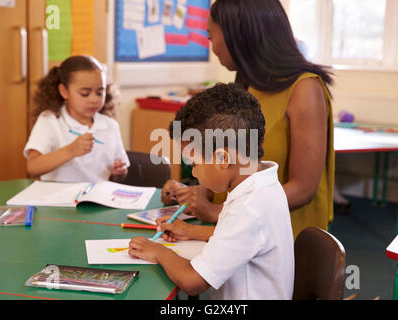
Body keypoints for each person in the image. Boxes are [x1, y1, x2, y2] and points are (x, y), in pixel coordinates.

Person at [162, 0, 334, 238]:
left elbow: (303, 188)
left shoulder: (304, 88)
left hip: (280, 238)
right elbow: (237, 165)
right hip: (236, 231)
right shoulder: (247, 84)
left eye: (211, 37)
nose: (212, 47)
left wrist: (216, 211)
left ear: (237, 35)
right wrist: (201, 190)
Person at [129, 83, 294, 299]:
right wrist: (191, 232)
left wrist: (158, 251)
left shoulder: (249, 207)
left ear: (222, 158)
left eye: (193, 163)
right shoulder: (262, 183)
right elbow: (245, 237)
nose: (195, 173)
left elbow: (192, 282)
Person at [24, 55, 129, 182]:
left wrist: (119, 172)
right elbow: (33, 167)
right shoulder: (50, 120)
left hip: (96, 197)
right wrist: (71, 150)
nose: (94, 99)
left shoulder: (110, 125)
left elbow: (120, 175)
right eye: (85, 93)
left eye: (100, 92)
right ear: (64, 91)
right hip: (58, 199)